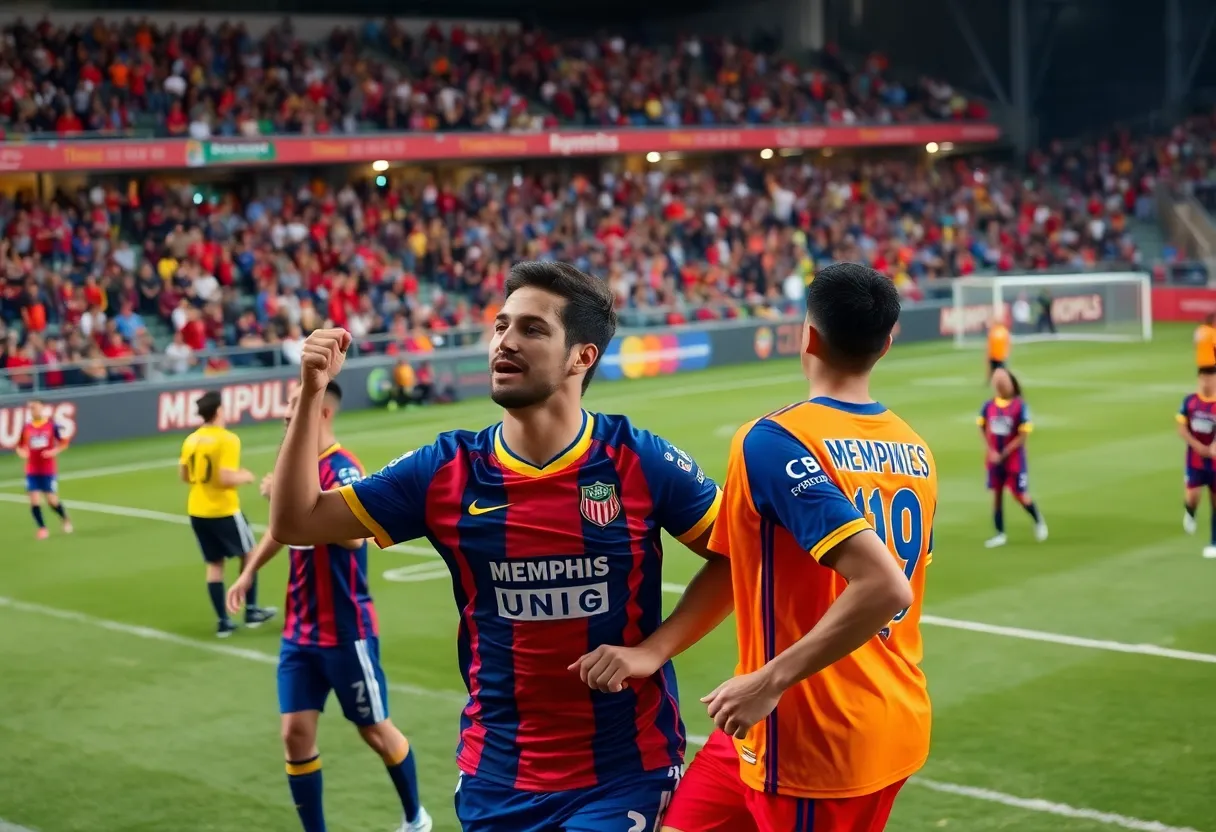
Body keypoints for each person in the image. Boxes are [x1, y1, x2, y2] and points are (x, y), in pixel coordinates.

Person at [267, 261, 730, 832]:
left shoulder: (638, 459)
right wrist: (311, 392)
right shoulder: (446, 469)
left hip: (625, 770)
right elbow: (297, 522)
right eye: (501, 325)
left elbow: (736, 555)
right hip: (496, 771)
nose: (505, 342)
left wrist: (653, 650)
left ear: (581, 357)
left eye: (532, 330)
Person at [657, 262, 935, 832]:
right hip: (841, 716)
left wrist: (768, 681)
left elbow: (884, 586)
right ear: (887, 344)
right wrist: (655, 650)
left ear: (805, 336)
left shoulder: (773, 440)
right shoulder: (915, 449)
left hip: (811, 731)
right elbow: (735, 565)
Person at [227, 381, 432, 832]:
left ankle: (416, 817)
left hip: (344, 629)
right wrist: (250, 571)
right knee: (294, 735)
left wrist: (295, 504)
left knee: (375, 731)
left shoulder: (342, 469)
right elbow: (282, 529)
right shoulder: (294, 469)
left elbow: (355, 536)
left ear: (320, 411)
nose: (285, 413)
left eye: (295, 406)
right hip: (299, 630)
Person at [178, 390, 275, 637]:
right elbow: (224, 477)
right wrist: (245, 475)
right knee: (251, 554)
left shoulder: (191, 440)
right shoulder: (227, 439)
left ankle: (223, 621)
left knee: (214, 564)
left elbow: (185, 475)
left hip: (197, 509)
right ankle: (251, 610)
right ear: (219, 411)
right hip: (223, 508)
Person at [979, 368, 1048, 548]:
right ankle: (1000, 533)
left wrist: (1005, 452)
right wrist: (991, 451)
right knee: (996, 495)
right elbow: (982, 428)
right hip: (994, 458)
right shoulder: (989, 406)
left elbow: (1023, 434)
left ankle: (1038, 519)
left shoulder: (1020, 406)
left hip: (1013, 459)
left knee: (1020, 495)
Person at [16, 397, 72, 540]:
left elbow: (64, 443)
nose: (33, 410)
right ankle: (42, 528)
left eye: (35, 407)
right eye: (31, 408)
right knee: (34, 500)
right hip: (32, 469)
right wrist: (23, 453)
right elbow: (19, 446)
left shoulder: (51, 426)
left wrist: (53, 452)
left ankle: (65, 518)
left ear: (42, 408)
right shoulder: (27, 428)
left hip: (47, 469)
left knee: (51, 500)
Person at [1176, 371, 1216, 558]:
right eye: (1204, 378)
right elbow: (1181, 428)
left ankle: (1214, 542)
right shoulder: (1190, 402)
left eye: (1211, 378)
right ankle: (1190, 511)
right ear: (1199, 379)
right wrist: (1198, 446)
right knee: (1193, 497)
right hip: (1195, 460)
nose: (1207, 381)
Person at [986, 311, 1010, 381]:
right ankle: (990, 381)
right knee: (992, 370)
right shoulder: (993, 331)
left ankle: (1002, 381)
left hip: (1000, 355)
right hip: (994, 354)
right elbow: (989, 344)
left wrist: (1006, 352)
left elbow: (1007, 343)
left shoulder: (1003, 330)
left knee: (1001, 370)